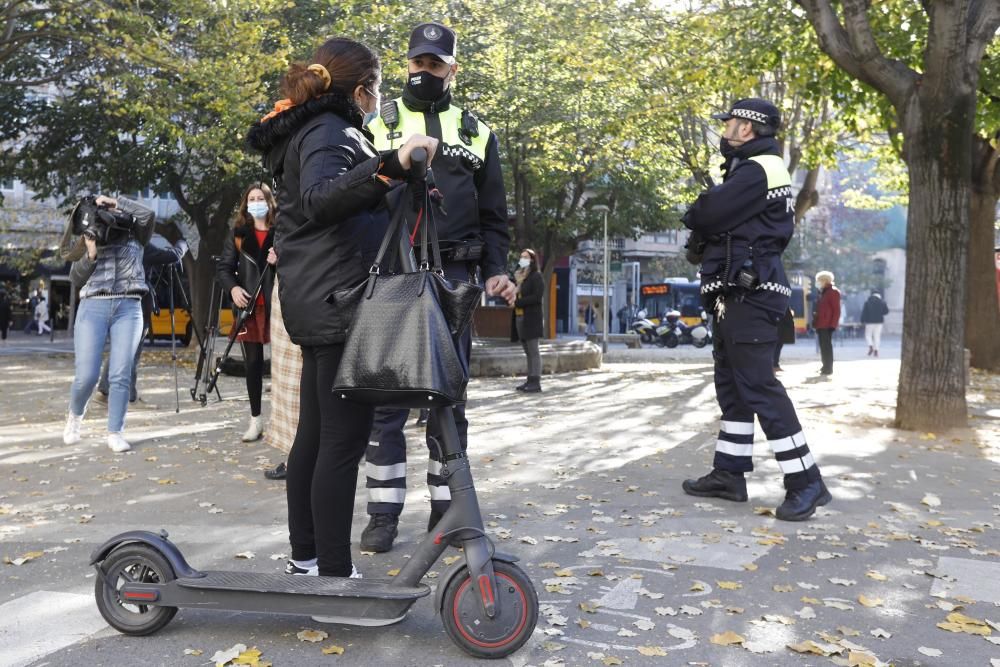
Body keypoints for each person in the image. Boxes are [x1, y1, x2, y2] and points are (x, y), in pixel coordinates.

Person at [246, 36, 440, 579]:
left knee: (316, 433)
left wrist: (400, 181)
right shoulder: (332, 130)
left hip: (323, 295)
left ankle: (307, 559)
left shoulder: (313, 129)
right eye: (377, 88)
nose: (378, 99)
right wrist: (389, 165)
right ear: (361, 89)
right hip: (339, 299)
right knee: (341, 438)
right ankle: (331, 568)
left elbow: (339, 207)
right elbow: (322, 198)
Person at [359, 22, 514, 553]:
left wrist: (498, 267)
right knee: (386, 401)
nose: (424, 71)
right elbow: (354, 198)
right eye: (416, 62)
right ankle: (382, 514)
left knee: (449, 399)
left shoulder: (478, 132)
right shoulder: (378, 123)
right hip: (393, 277)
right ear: (406, 65)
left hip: (456, 278)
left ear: (453, 68)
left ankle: (445, 514)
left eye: (435, 63)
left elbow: (495, 213)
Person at [680, 98, 831, 521]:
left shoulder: (759, 169)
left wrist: (699, 213)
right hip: (737, 294)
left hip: (751, 294)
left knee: (760, 387)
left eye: (729, 121)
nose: (724, 127)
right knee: (733, 387)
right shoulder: (751, 168)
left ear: (748, 127)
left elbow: (707, 212)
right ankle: (729, 473)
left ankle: (806, 481)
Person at [59, 194, 155, 452]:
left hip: (129, 306)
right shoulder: (89, 234)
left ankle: (115, 432)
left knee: (120, 373)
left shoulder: (137, 231)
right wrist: (90, 253)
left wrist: (116, 202)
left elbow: (149, 214)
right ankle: (75, 418)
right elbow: (75, 278)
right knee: (87, 376)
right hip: (93, 306)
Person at [95, 234, 188, 405]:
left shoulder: (115, 244)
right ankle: (128, 398)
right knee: (131, 354)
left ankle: (105, 391)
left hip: (115, 303)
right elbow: (172, 256)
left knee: (120, 349)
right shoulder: (140, 246)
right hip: (136, 305)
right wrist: (183, 243)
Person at [217, 184, 278, 442]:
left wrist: (281, 256)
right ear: (245, 204)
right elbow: (224, 268)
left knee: (286, 364)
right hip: (250, 306)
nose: (255, 202)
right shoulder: (238, 233)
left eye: (260, 198)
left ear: (269, 201)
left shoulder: (282, 231)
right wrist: (233, 289)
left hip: (280, 303)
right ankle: (255, 420)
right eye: (251, 199)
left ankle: (286, 420)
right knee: (252, 364)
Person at [262, 269, 300, 481]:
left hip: (300, 289)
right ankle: (295, 457)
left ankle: (294, 459)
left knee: (295, 387)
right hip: (300, 287)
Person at [511, 248, 544, 393]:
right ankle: (530, 380)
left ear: (532, 260)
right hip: (519, 317)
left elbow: (537, 297)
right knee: (527, 351)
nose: (522, 259)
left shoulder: (536, 277)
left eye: (525, 257)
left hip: (531, 318)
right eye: (521, 256)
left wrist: (518, 303)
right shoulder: (520, 277)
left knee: (533, 351)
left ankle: (535, 382)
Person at [813, 270, 841, 375]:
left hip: (827, 325)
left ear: (824, 280)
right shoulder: (823, 292)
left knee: (826, 347)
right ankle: (825, 366)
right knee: (823, 347)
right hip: (821, 324)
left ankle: (828, 368)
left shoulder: (833, 292)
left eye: (819, 280)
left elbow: (836, 310)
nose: (818, 282)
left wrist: (833, 325)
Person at [860, 290, 889, 357]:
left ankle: (870, 346)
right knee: (877, 336)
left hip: (869, 321)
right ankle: (876, 350)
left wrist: (862, 320)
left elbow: (864, 312)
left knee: (868, 335)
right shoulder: (882, 302)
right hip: (879, 322)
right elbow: (886, 311)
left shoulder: (867, 302)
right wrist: (880, 313)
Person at [773, 307, 795, 372]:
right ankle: (774, 365)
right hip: (778, 329)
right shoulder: (780, 302)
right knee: (776, 348)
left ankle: (775, 365)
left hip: (781, 329)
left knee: (778, 347)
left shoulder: (782, 302)